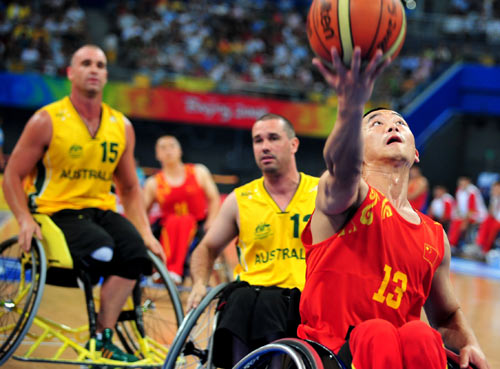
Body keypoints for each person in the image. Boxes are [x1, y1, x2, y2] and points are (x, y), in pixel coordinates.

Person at [296, 47, 489, 369]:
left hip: (402, 353)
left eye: (400, 122)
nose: (391, 126)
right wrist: (351, 106)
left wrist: (470, 342)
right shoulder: (348, 194)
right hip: (332, 354)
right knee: (377, 332)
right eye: (375, 123)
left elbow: (445, 315)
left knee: (421, 335)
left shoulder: (435, 236)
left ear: (416, 153)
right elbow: (340, 168)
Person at [2, 44, 164, 362]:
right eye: (86, 63)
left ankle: (102, 336)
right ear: (71, 73)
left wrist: (145, 232)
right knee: (102, 249)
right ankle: (98, 328)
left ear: (106, 75)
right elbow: (12, 174)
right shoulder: (46, 120)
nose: (94, 69)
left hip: (99, 210)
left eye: (100, 65)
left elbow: (130, 188)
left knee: (134, 253)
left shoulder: (122, 126)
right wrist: (23, 218)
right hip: (54, 210)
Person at [187, 113, 319, 368]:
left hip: (303, 296)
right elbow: (207, 248)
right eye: (258, 140)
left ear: (294, 144)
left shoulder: (320, 193)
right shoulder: (240, 199)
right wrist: (199, 283)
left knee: (270, 303)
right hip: (250, 297)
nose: (264, 146)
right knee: (240, 298)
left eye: (273, 138)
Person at [143, 135, 220, 284]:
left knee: (184, 220)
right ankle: (165, 269)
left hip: (196, 223)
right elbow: (141, 210)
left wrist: (211, 222)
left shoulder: (198, 172)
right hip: (167, 226)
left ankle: (174, 270)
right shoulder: (153, 183)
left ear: (179, 151)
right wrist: (144, 231)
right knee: (173, 221)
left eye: (172, 146)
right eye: (163, 148)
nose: (168, 151)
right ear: (157, 154)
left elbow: (214, 198)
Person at [448, 176, 487, 251]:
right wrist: (456, 215)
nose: (461, 183)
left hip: (478, 215)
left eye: (463, 181)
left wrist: (465, 222)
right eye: (460, 182)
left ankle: (452, 244)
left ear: (468, 182)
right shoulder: (459, 191)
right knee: (455, 219)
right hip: (466, 214)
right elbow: (458, 206)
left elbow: (471, 210)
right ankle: (452, 243)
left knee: (459, 222)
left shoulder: (472, 191)